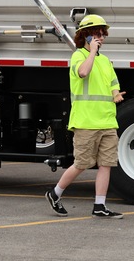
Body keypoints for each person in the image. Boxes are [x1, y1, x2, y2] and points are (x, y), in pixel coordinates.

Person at [45, 14, 126, 218]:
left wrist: (116, 95)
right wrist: (91, 52)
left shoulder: (106, 61)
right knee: (81, 163)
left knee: (106, 164)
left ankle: (100, 206)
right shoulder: (78, 56)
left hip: (107, 120)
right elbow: (83, 73)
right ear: (86, 37)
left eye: (103, 34)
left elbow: (113, 84)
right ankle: (55, 194)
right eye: (96, 34)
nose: (101, 37)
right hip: (86, 121)